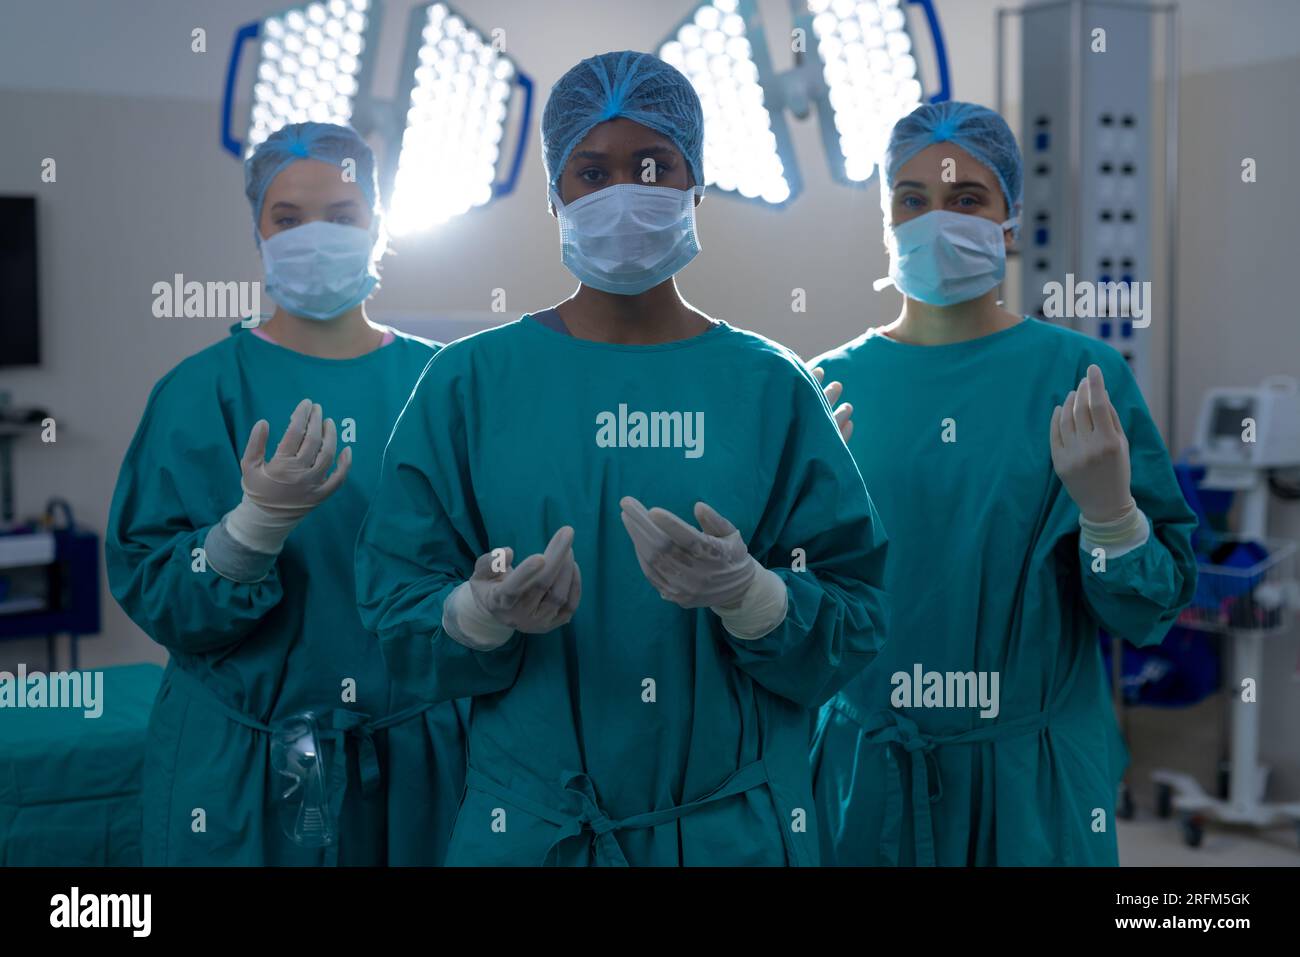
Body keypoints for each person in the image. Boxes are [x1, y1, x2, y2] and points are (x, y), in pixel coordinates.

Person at [354, 51, 888, 866]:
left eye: (652, 165)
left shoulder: (772, 386)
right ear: (554, 196)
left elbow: (856, 609)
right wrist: (478, 610)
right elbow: (396, 603)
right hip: (533, 834)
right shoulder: (470, 383)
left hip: (727, 834)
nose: (622, 193)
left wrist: (755, 595)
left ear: (695, 182)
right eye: (591, 172)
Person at [808, 101, 1198, 866]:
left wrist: (1114, 519)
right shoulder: (826, 387)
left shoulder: (1080, 379)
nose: (935, 218)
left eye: (966, 199)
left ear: (1010, 222)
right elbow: (805, 612)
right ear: (885, 220)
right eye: (912, 199)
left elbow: (1151, 604)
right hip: (866, 774)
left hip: (1030, 780)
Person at [106, 122, 466, 865]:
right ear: (258, 233)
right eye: (288, 218)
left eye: (342, 215)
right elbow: (153, 586)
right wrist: (250, 530)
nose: (316, 237)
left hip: (419, 762)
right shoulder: (200, 390)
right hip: (241, 770)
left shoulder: (446, 387)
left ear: (380, 224)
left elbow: (483, 561)